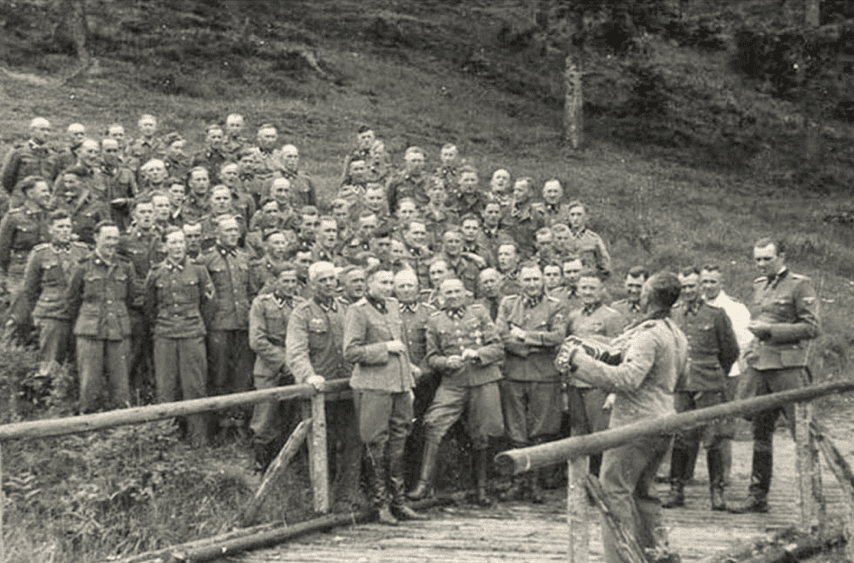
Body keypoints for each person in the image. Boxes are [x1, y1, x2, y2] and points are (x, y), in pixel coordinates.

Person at [556, 271, 688, 563]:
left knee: (614, 491)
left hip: (635, 424)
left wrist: (580, 363)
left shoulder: (649, 334)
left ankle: (619, 559)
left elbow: (628, 379)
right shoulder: (676, 333)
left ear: (647, 297)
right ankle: (657, 554)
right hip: (665, 418)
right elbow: (682, 378)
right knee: (644, 492)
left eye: (643, 291)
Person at [730, 238, 819, 513]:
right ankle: (757, 496)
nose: (761, 264)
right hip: (761, 369)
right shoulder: (759, 285)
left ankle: (812, 500)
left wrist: (772, 332)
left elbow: (812, 327)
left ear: (781, 256)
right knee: (760, 433)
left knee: (803, 434)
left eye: (767, 259)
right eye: (757, 259)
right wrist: (753, 347)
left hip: (789, 369)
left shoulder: (800, 284)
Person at [410, 278, 505, 506]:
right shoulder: (434, 320)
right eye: (448, 292)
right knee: (433, 423)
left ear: (465, 293)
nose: (452, 296)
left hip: (483, 378)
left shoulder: (479, 313)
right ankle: (424, 485)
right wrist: (445, 362)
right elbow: (431, 357)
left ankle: (481, 489)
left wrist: (478, 354)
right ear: (440, 295)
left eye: (456, 291)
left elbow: (498, 346)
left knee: (482, 433)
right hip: (453, 382)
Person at [343, 265, 424, 525]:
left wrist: (408, 384)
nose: (389, 288)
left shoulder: (392, 306)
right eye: (383, 283)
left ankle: (399, 501)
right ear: (369, 284)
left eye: (391, 283)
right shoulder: (358, 311)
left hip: (399, 385)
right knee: (375, 442)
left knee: (399, 440)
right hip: (373, 385)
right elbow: (351, 352)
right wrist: (384, 348)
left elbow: (404, 349)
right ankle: (381, 505)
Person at [286, 261, 362, 510]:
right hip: (321, 393)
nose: (329, 284)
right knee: (322, 445)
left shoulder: (347, 308)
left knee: (352, 443)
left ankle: (346, 500)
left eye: (332, 279)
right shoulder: (302, 313)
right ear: (311, 284)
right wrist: (308, 376)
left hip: (348, 388)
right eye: (323, 280)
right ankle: (321, 500)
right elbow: (296, 352)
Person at [663, 267, 739, 511]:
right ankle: (677, 489)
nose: (687, 291)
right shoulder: (673, 315)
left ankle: (717, 492)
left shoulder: (716, 315)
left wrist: (715, 375)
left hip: (709, 385)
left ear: (701, 288)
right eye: (683, 287)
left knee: (713, 439)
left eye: (692, 287)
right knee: (682, 438)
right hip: (682, 386)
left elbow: (730, 351)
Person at [495, 264, 568, 503]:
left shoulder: (555, 305)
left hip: (544, 375)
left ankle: (535, 484)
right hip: (514, 373)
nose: (532, 284)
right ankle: (518, 483)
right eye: (527, 279)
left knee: (541, 430)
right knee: (516, 429)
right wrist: (529, 349)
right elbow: (500, 335)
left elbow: (558, 336)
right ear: (519, 281)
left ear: (543, 280)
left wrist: (525, 336)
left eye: (536, 279)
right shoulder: (508, 304)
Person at [145, 227, 215, 446]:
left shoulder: (199, 270)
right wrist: (161, 325)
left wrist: (195, 323)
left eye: (180, 242)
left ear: (186, 245)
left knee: (195, 386)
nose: (177, 247)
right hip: (165, 334)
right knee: (165, 387)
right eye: (172, 243)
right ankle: (166, 439)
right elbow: (149, 306)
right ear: (165, 246)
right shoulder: (156, 273)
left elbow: (209, 304)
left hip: (192, 333)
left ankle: (198, 439)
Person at [66, 221, 138, 413]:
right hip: (89, 330)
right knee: (90, 383)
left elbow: (131, 297)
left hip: (118, 328)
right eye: (108, 238)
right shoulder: (82, 267)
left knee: (120, 383)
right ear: (96, 238)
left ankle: (121, 431)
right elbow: (72, 300)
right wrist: (84, 322)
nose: (112, 243)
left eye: (115, 238)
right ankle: (88, 428)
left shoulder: (125, 266)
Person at [564, 269, 625, 476]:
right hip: (575, 385)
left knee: (601, 437)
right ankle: (580, 486)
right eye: (584, 288)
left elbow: (620, 355)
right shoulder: (573, 316)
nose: (588, 292)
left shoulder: (612, 317)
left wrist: (614, 392)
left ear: (602, 291)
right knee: (578, 435)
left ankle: (601, 484)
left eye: (592, 288)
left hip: (599, 387)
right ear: (578, 290)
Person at [199, 215, 255, 435]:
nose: (233, 234)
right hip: (219, 324)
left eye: (236, 230)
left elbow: (249, 291)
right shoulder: (207, 260)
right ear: (218, 234)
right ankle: (220, 422)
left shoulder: (244, 257)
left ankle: (239, 419)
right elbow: (203, 296)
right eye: (228, 230)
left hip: (242, 323)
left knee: (242, 374)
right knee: (219, 373)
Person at [248, 262, 305, 471]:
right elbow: (257, 340)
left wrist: (295, 363)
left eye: (293, 281)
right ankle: (260, 464)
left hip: (296, 365)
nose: (290, 286)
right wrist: (283, 362)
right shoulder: (261, 304)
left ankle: (286, 464)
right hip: (268, 366)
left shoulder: (301, 304)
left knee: (292, 415)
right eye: (285, 281)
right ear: (274, 282)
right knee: (264, 417)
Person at [701, 263, 752, 486]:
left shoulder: (734, 309)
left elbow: (741, 346)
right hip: (697, 374)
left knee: (722, 424)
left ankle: (723, 476)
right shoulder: (693, 306)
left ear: (721, 283)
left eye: (713, 281)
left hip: (725, 374)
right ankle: (683, 475)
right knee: (689, 423)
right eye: (705, 281)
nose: (708, 286)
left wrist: (728, 370)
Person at [22, 211, 89, 373]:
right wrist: (41, 312)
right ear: (50, 229)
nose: (65, 230)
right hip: (51, 314)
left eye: (67, 226)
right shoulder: (40, 254)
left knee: (79, 361)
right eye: (60, 227)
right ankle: (48, 394)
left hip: (78, 314)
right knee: (51, 362)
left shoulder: (82, 251)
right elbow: (30, 289)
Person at [0, 176, 52, 345]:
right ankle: (9, 355)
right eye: (43, 191)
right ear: (30, 193)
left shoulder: (50, 216)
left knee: (41, 316)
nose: (47, 194)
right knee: (19, 315)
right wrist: (7, 276)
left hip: (46, 270)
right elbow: (3, 249)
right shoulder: (14, 217)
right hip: (20, 270)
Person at [1, 118, 58, 205]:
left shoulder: (52, 155)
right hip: (22, 201)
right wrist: (18, 194)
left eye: (48, 130)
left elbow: (55, 179)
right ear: (32, 131)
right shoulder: (18, 152)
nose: (46, 133)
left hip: (44, 202)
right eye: (42, 129)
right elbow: (7, 178)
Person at [565, 201, 611, 279]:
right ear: (568, 217)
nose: (575, 218)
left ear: (586, 217)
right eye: (572, 215)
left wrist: (596, 280)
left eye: (579, 215)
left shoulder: (594, 239)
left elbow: (605, 265)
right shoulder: (562, 237)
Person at [386, 146, 429, 212]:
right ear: (406, 162)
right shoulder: (395, 181)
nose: (416, 164)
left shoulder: (430, 181)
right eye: (413, 161)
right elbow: (389, 203)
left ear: (424, 163)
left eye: (419, 161)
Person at [279, 144, 317, 208]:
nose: (292, 160)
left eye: (295, 157)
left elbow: (313, 204)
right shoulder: (272, 180)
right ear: (281, 158)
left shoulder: (306, 180)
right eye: (289, 156)